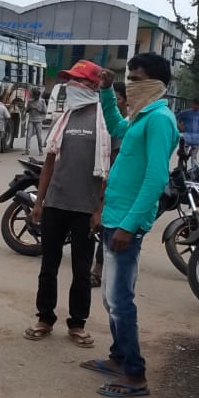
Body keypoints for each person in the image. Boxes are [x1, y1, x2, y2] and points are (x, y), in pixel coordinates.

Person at [81, 53, 179, 398]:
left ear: (155, 83)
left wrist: (129, 225)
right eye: (129, 78)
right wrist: (107, 92)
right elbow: (115, 127)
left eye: (136, 79)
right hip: (115, 218)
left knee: (120, 301)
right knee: (111, 298)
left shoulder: (159, 120)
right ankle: (119, 357)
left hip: (127, 223)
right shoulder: (140, 118)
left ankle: (135, 375)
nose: (131, 85)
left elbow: (155, 179)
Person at [22, 60, 113, 349]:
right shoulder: (65, 118)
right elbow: (49, 162)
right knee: (48, 267)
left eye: (77, 80)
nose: (71, 86)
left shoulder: (107, 121)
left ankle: (77, 323)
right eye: (69, 80)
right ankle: (45, 318)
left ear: (93, 86)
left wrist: (100, 208)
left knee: (81, 270)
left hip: (86, 208)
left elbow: (113, 170)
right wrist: (40, 201)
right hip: (56, 204)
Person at [91, 81, 127, 288]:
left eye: (118, 99)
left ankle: (99, 267)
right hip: (96, 178)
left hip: (110, 182)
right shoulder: (101, 121)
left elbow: (115, 160)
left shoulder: (121, 126)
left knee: (104, 224)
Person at [24, 88, 46, 156]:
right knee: (28, 136)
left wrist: (38, 109)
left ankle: (41, 151)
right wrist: (30, 108)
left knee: (39, 136)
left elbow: (44, 111)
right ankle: (27, 150)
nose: (35, 97)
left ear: (39, 96)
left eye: (36, 96)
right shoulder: (30, 101)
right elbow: (26, 110)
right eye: (34, 96)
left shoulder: (42, 101)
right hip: (31, 120)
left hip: (38, 120)